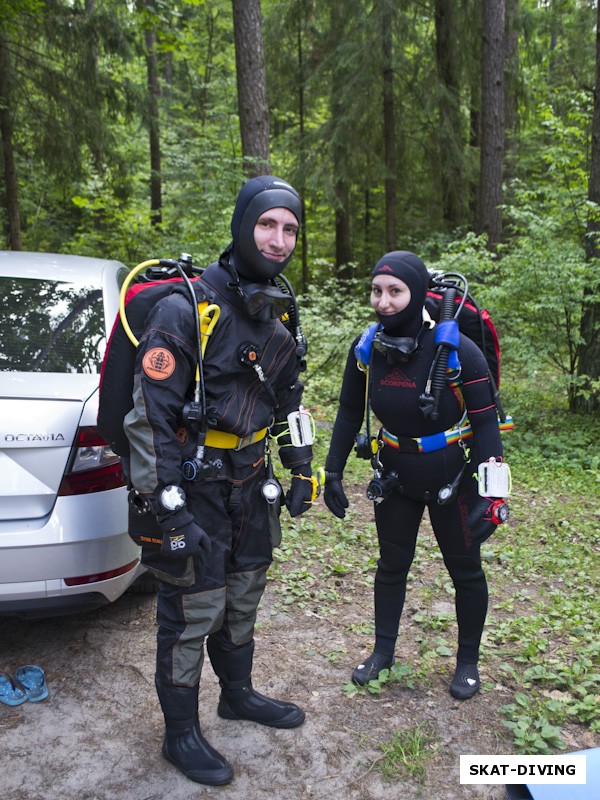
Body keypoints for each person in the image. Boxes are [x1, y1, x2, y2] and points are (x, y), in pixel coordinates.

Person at [123, 176, 314, 786]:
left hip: (252, 485)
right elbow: (148, 421)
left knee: (243, 595)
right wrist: (168, 509)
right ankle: (180, 733)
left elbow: (292, 403)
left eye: (289, 229)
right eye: (267, 224)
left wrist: (301, 469)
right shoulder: (184, 311)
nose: (279, 240)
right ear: (242, 224)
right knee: (191, 608)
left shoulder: (278, 320)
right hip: (194, 488)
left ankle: (238, 693)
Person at [323, 250, 509, 701]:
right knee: (391, 566)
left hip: (453, 474)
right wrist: (332, 471)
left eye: (395, 291)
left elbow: (486, 422)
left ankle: (467, 662)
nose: (383, 301)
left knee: (465, 571)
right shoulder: (368, 348)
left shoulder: (457, 349)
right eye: (376, 291)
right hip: (395, 475)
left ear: (418, 293)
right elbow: (350, 411)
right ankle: (383, 653)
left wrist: (495, 494)